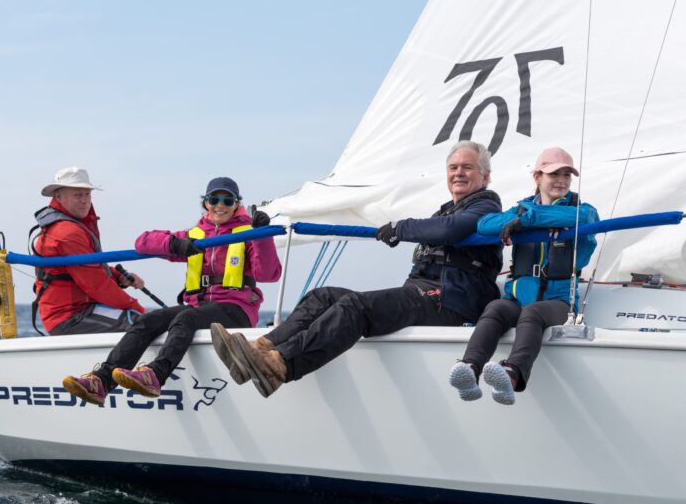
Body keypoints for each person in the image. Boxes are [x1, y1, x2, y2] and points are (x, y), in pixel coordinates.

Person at [211, 140, 503, 398]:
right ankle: (259, 349)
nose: (458, 173)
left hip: (452, 301)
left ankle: (279, 365)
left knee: (355, 306)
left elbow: (449, 230)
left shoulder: (486, 209)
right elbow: (443, 227)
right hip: (426, 294)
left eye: (467, 167)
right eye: (453, 167)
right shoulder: (446, 211)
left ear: (485, 176)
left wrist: (400, 228)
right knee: (322, 297)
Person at [62, 176, 282, 405]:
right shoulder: (195, 235)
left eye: (227, 200)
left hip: (237, 309)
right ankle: (101, 382)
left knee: (185, 317)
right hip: (200, 306)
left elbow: (268, 274)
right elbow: (142, 242)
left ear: (237, 204)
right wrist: (175, 245)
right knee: (148, 320)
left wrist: (262, 235)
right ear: (206, 202)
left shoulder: (248, 233)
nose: (220, 205)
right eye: (214, 199)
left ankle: (155, 376)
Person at [449, 147, 599, 405]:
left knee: (533, 313)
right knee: (495, 307)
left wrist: (528, 220)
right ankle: (470, 369)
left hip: (559, 304)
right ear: (537, 177)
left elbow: (583, 218)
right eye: (554, 174)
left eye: (567, 175)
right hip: (518, 299)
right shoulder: (520, 209)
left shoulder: (582, 211)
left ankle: (512, 374)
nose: (561, 180)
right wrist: (528, 219)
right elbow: (485, 225)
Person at [32, 167, 146, 336]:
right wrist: (139, 309)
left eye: (87, 194)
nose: (84, 201)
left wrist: (118, 277)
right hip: (70, 317)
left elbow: (88, 269)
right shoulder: (67, 232)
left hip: (80, 310)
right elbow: (96, 284)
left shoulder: (71, 225)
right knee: (145, 325)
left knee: (145, 321)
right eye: (77, 195)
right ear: (58, 197)